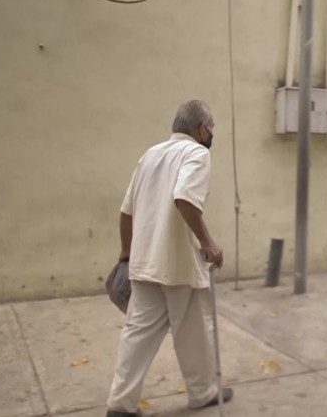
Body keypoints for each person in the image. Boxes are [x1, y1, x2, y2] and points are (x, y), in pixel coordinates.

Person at [105, 100, 231, 417]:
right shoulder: (197, 153)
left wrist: (126, 254)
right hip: (178, 265)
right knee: (194, 334)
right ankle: (203, 392)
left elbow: (126, 211)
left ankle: (120, 404)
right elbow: (185, 198)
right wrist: (209, 243)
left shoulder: (151, 155)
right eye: (211, 128)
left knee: (137, 334)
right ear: (201, 129)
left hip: (144, 263)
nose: (211, 134)